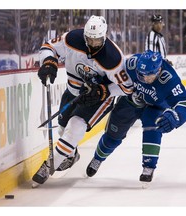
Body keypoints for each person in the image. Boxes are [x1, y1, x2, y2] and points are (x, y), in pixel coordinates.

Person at [32, 15, 134, 184]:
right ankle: (71, 156)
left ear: (104, 36)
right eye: (89, 40)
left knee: (75, 126)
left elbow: (127, 88)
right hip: (73, 91)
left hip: (99, 100)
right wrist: (49, 62)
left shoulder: (113, 58)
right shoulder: (73, 39)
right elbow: (48, 46)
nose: (93, 44)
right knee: (63, 129)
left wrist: (104, 91)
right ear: (85, 36)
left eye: (97, 40)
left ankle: (48, 166)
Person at [86, 50, 186, 183]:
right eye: (140, 75)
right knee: (113, 134)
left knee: (153, 128)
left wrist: (176, 116)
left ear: (159, 70)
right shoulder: (132, 63)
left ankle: (148, 167)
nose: (144, 79)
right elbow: (114, 74)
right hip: (130, 100)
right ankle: (98, 158)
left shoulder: (170, 80)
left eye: (148, 76)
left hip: (155, 107)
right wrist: (100, 82)